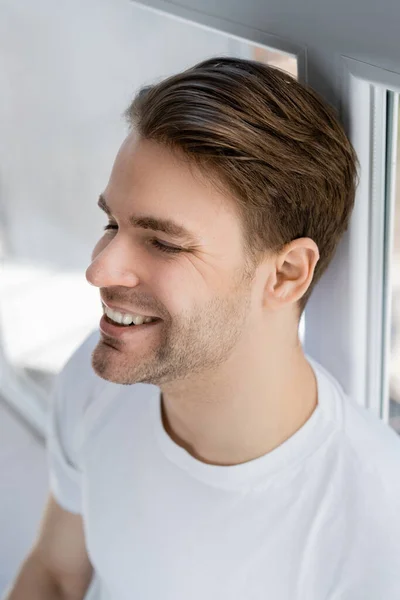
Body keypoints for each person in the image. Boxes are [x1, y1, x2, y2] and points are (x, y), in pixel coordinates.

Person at [5, 57, 400, 600]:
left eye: (163, 243)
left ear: (285, 274)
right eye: (111, 224)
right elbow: (55, 572)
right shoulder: (101, 377)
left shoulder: (376, 525)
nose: (98, 269)